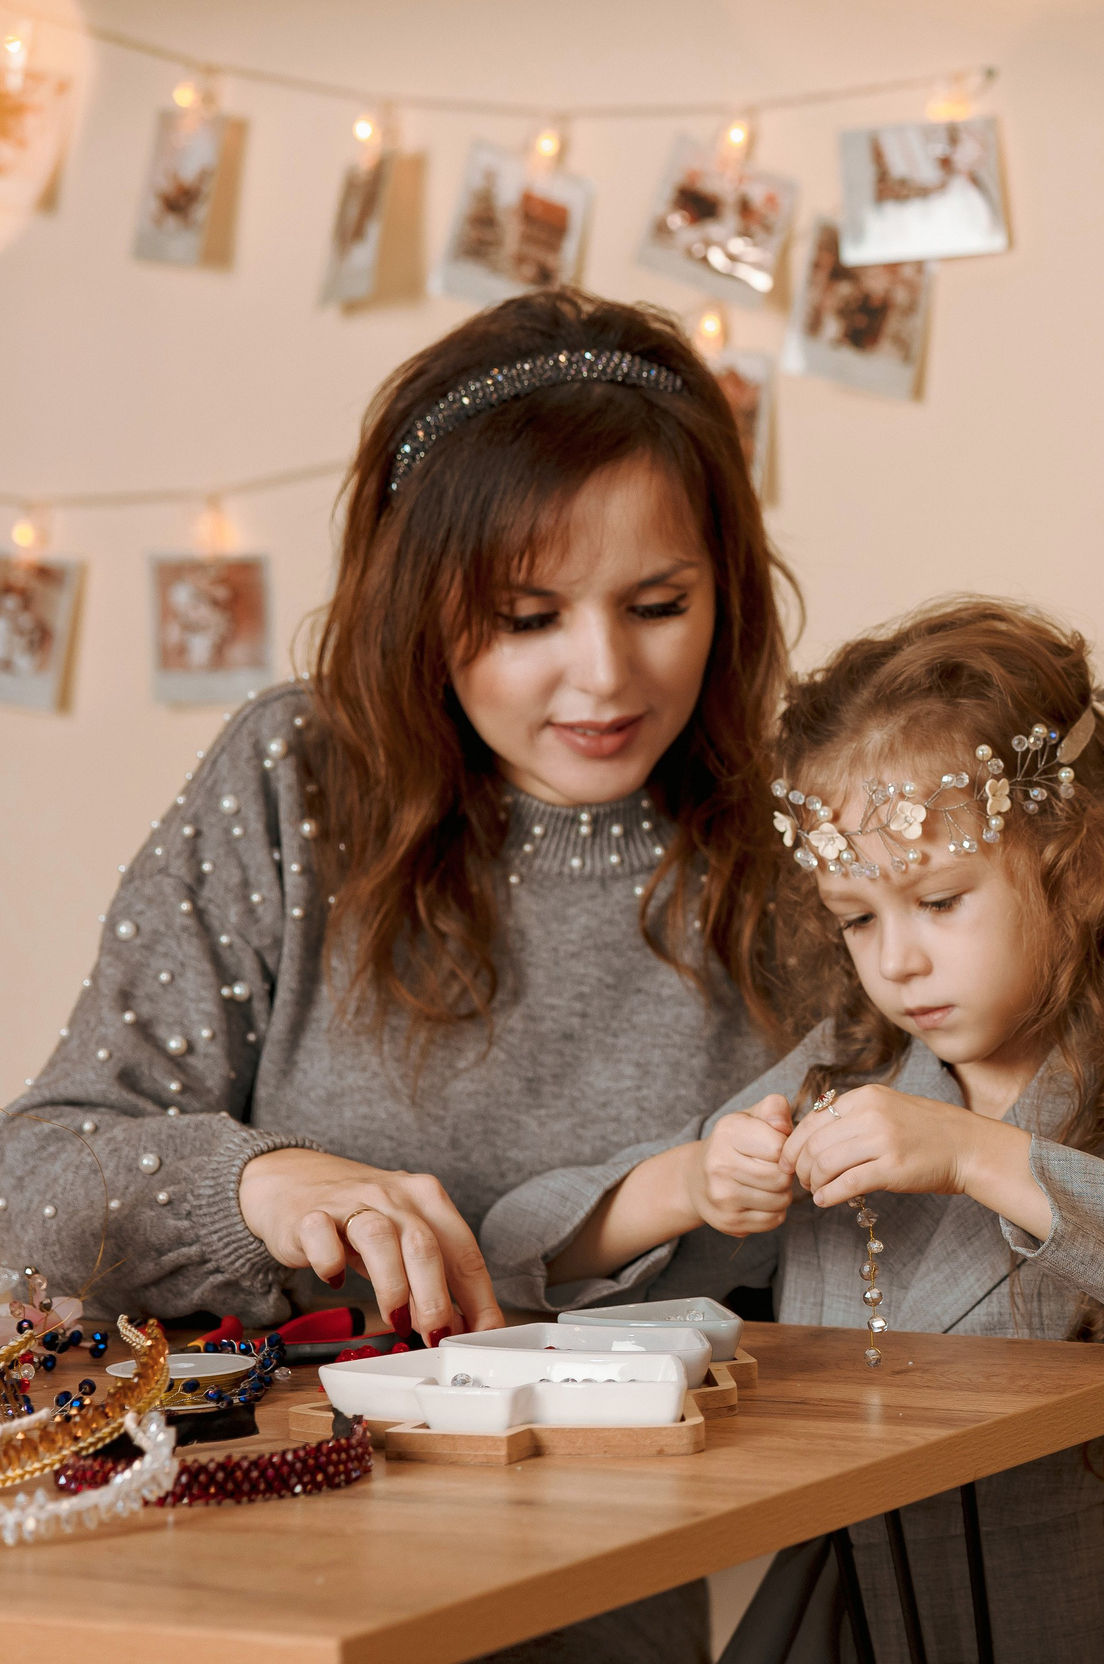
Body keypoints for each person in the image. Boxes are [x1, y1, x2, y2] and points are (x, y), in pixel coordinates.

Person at [1, 288, 801, 1662]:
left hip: (600, 1580)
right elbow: (38, 1180)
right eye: (526, 615)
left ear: (726, 583)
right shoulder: (293, 778)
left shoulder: (791, 840)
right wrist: (264, 1183)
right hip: (238, 1571)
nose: (604, 673)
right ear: (420, 602)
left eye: (659, 603)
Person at [485, 598, 1104, 1664]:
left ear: (1084, 872)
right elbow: (513, 1248)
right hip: (869, 1625)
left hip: (1103, 1620)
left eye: (941, 900)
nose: (898, 962)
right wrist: (690, 1185)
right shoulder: (838, 1084)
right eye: (860, 918)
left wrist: (976, 1157)